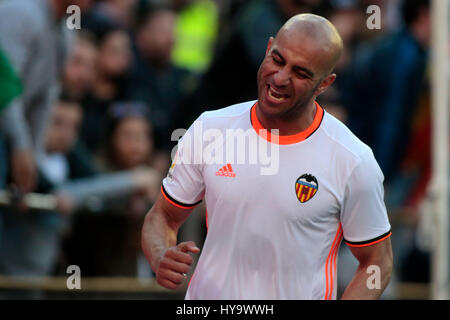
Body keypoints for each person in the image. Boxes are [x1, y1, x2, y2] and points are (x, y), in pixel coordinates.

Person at [141, 13, 393, 300]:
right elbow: (162, 215)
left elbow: (377, 262)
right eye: (277, 59)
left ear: (325, 84)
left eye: (301, 73)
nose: (281, 77)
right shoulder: (209, 128)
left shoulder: (353, 160)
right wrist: (161, 254)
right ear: (268, 48)